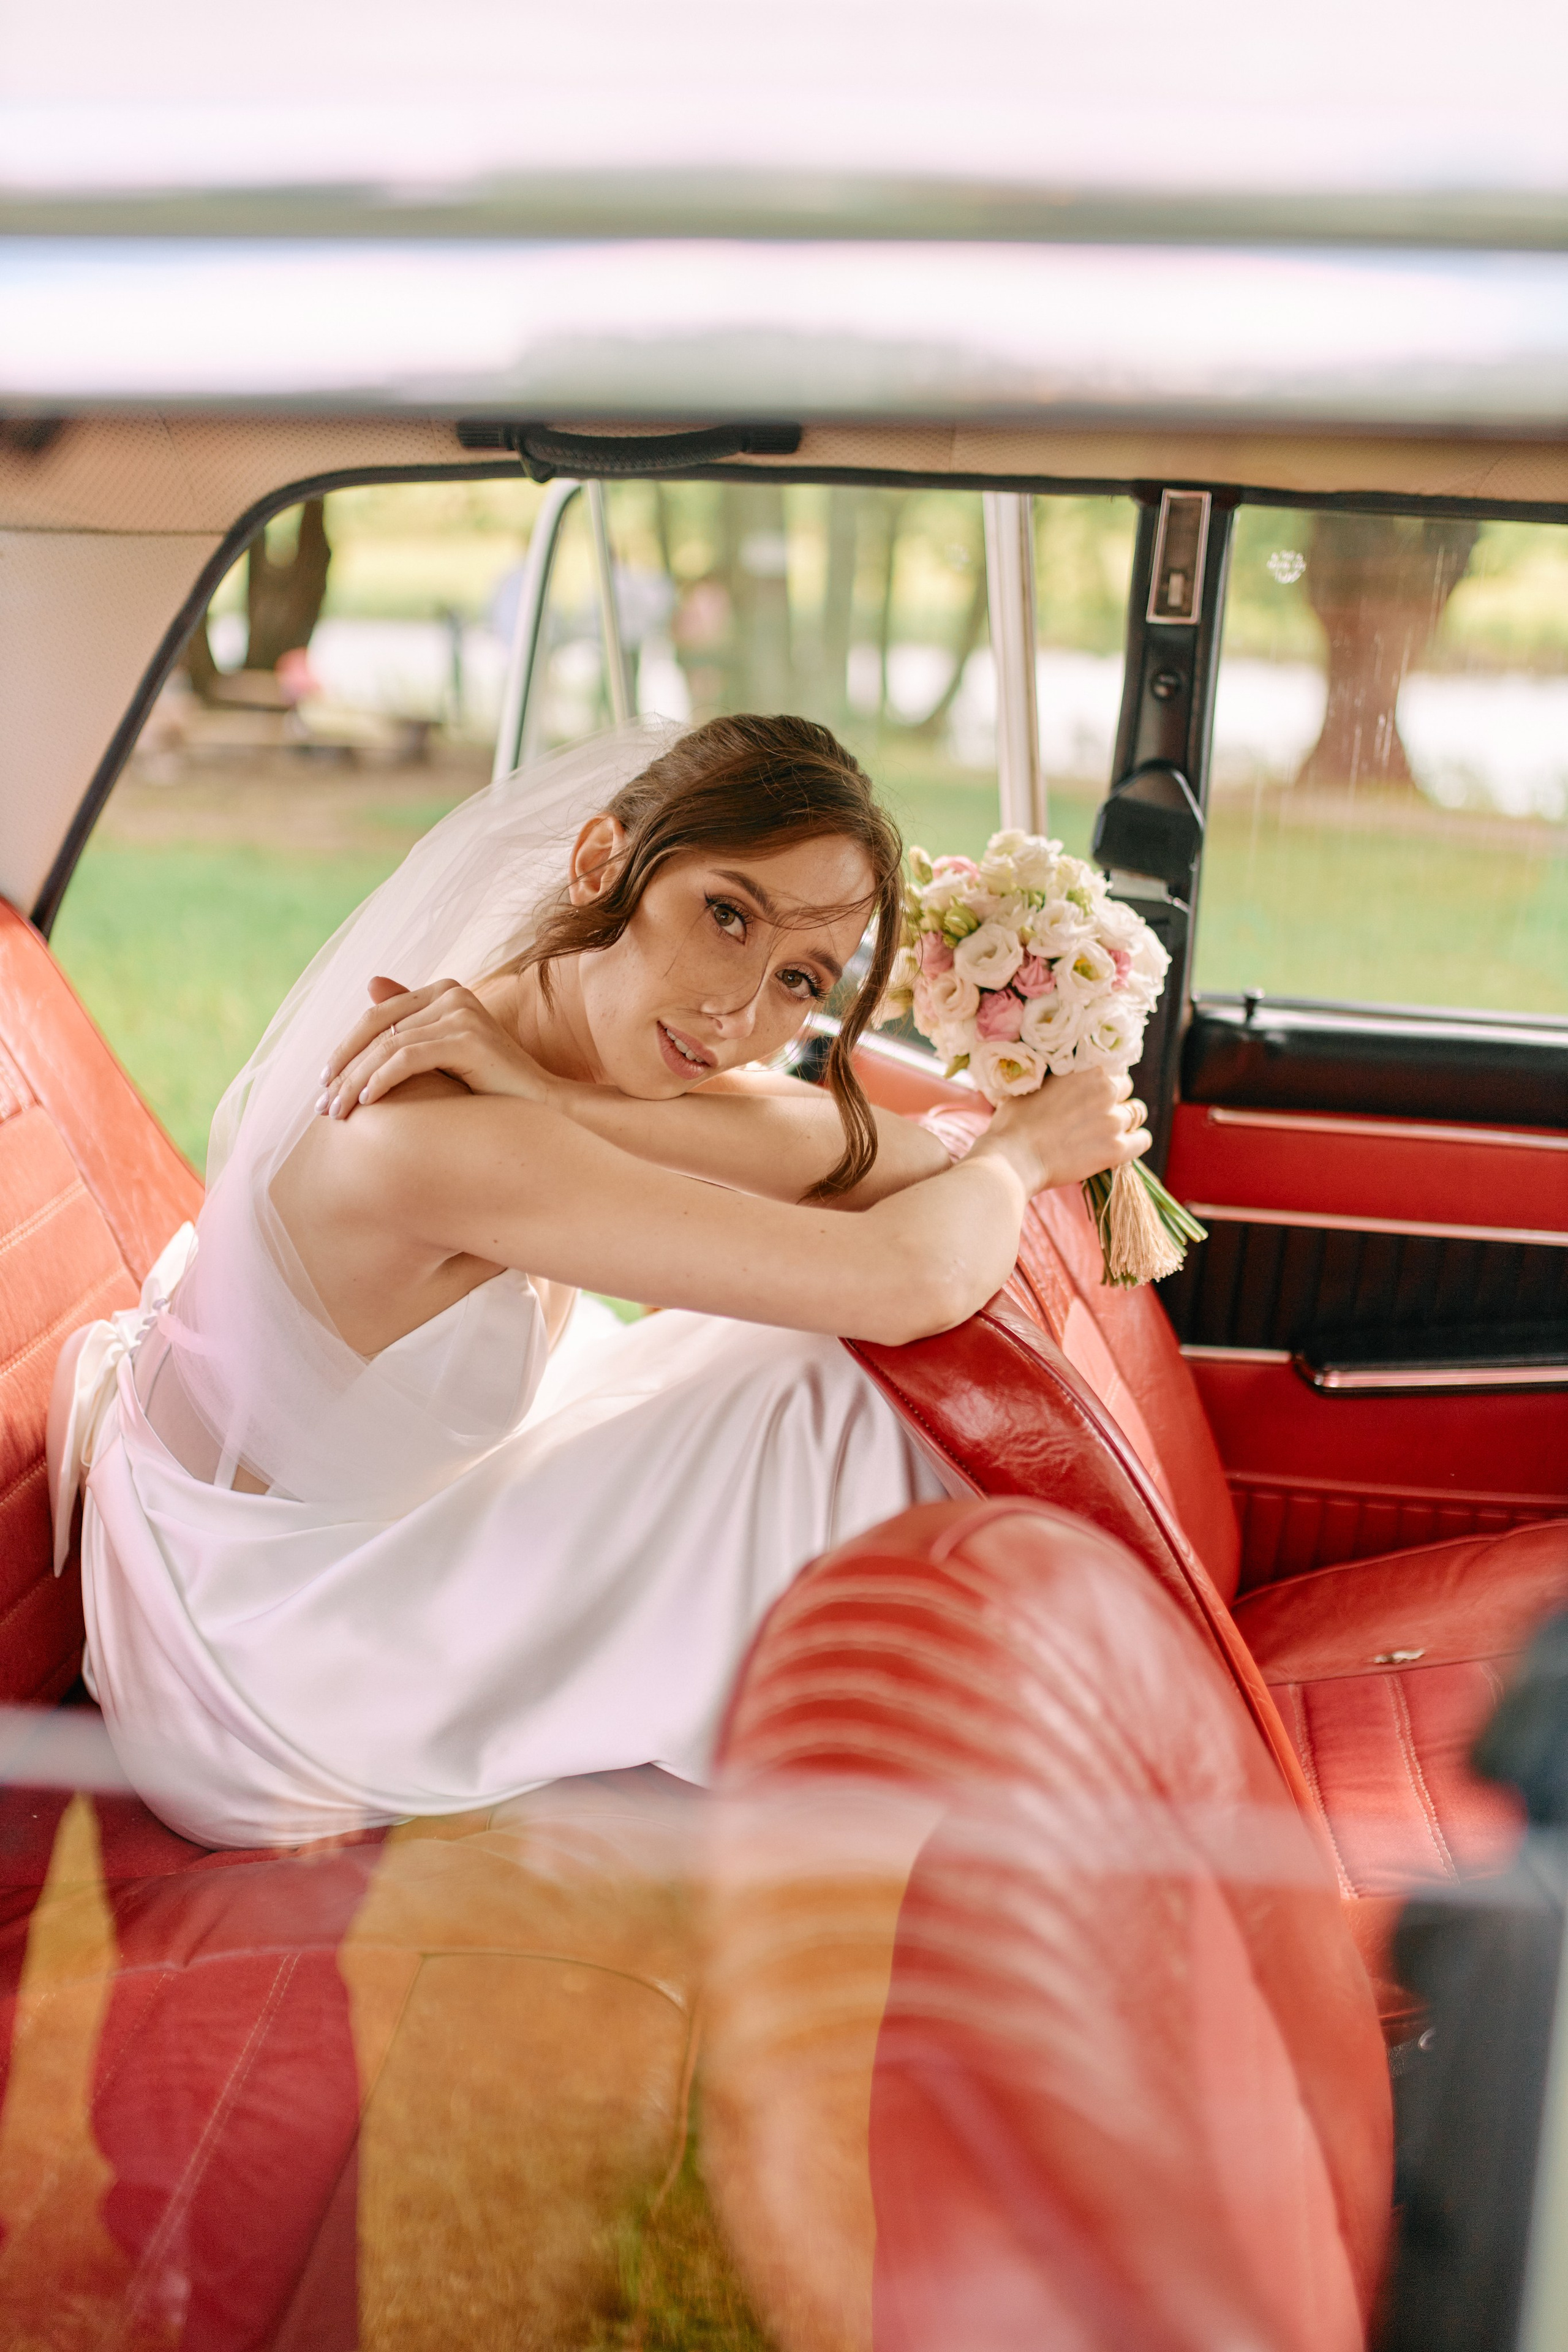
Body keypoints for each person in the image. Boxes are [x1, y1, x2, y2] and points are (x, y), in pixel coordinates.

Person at [50, 716, 1147, 1848]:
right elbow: (913, 1275)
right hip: (263, 1665)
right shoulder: (443, 1134)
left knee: (779, 1362)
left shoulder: (539, 1049)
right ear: (600, 863)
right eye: (728, 915)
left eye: (799, 980)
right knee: (826, 1393)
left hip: (289, 1537)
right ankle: (923, 1827)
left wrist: (566, 1101)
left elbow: (888, 1157)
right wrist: (1021, 1156)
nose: (741, 1015)